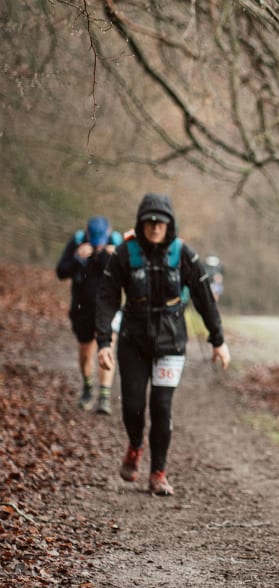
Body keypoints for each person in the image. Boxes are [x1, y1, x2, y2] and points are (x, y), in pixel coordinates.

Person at [95, 193, 230, 496]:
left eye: (161, 222)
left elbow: (204, 299)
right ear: (141, 223)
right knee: (132, 405)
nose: (155, 227)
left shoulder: (184, 254)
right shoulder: (124, 253)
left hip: (171, 343)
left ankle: (158, 473)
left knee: (161, 407)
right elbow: (106, 297)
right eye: (150, 221)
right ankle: (135, 445)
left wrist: (218, 341)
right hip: (133, 342)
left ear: (170, 225)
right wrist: (103, 341)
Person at [56, 215, 122, 413]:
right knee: (86, 351)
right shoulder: (77, 242)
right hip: (82, 308)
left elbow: (129, 276)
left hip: (108, 309)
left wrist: (116, 256)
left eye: (100, 242)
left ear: (108, 232)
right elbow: (61, 272)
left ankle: (104, 396)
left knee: (107, 349)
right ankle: (88, 388)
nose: (98, 246)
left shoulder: (116, 243)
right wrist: (77, 258)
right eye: (95, 242)